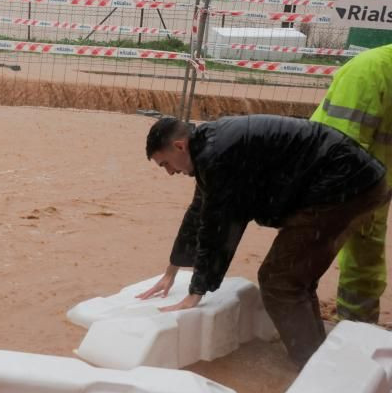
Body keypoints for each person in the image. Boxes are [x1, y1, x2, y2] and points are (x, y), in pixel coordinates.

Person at [138, 115, 388, 368]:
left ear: (180, 146)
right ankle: (316, 354)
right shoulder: (210, 148)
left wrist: (196, 291)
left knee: (278, 280)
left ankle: (311, 368)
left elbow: (218, 228)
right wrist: (172, 269)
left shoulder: (217, 156)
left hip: (345, 186)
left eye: (166, 164)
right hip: (357, 180)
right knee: (295, 278)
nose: (170, 172)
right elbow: (199, 213)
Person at [310, 43, 392, 323]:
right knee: (304, 255)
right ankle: (300, 331)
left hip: (376, 183)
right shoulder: (369, 71)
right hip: (332, 181)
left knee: (365, 261)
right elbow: (340, 148)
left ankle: (358, 328)